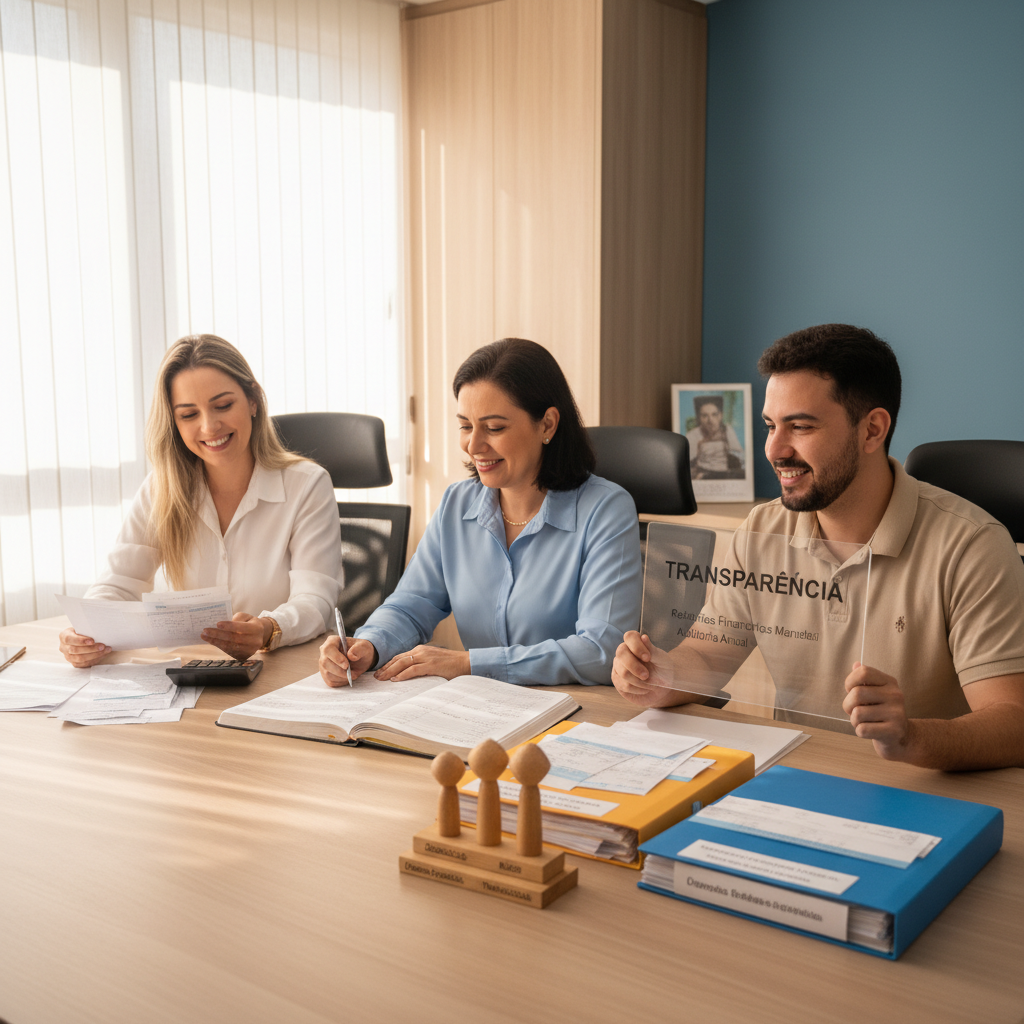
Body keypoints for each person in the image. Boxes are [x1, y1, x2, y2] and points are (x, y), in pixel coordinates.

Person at [613, 323, 1024, 771]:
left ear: (872, 430)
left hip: (922, 790)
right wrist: (659, 676)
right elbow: (709, 657)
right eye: (770, 426)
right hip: (795, 775)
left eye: (801, 426)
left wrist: (909, 735)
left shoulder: (972, 546)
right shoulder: (763, 530)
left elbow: (1013, 722)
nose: (774, 449)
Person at [319, 338, 642, 688]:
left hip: (573, 717)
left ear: (547, 424)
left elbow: (601, 650)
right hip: (478, 712)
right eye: (465, 426)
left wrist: (469, 663)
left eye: (494, 428)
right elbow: (410, 606)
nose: (473, 446)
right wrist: (368, 644)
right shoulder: (457, 505)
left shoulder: (606, 511)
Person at [59, 334, 343, 666]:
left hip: (277, 672)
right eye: (189, 414)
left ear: (253, 400)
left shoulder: (307, 485)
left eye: (223, 405)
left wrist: (269, 628)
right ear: (174, 423)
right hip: (187, 675)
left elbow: (316, 599)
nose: (209, 426)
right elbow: (120, 582)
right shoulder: (161, 488)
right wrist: (86, 631)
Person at [686, 395, 744, 479]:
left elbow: (739, 455)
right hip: (704, 474)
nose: (710, 420)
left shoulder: (727, 430)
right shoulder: (692, 435)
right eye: (705, 416)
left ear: (720, 415)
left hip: (726, 473)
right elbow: (689, 463)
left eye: (714, 415)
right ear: (699, 418)